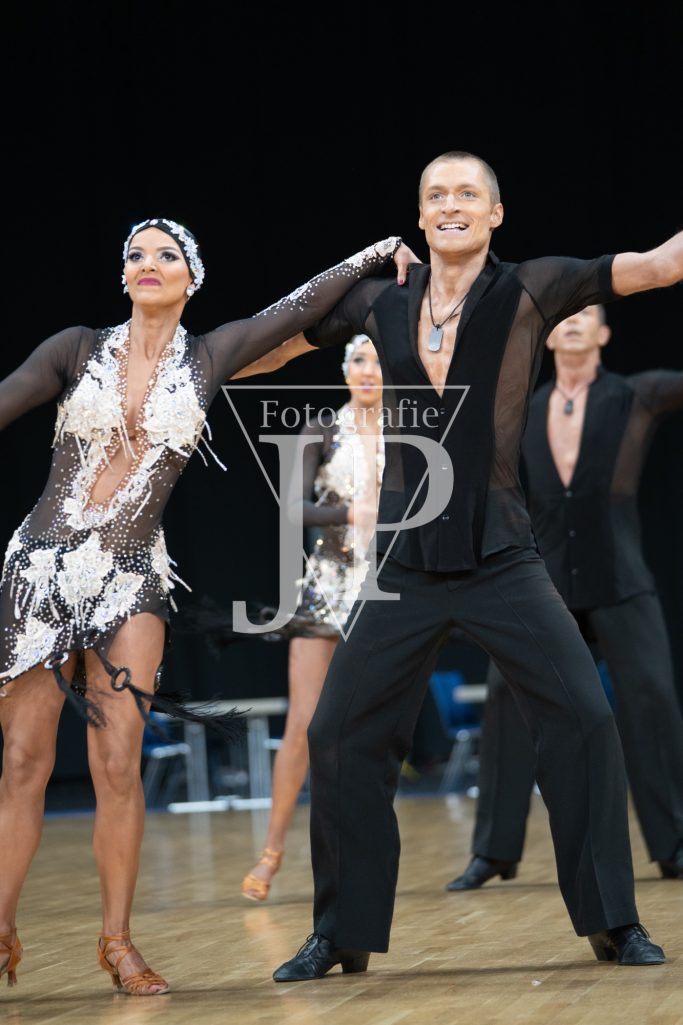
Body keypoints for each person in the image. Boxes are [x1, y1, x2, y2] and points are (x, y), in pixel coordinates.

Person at [260, 151, 682, 981]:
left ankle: (612, 920)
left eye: (466, 193)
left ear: (494, 213)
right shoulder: (380, 301)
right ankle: (341, 932)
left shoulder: (532, 286)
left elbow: (661, 264)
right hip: (406, 561)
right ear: (419, 217)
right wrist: (190, 368)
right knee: (337, 732)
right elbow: (269, 347)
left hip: (500, 553)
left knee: (584, 718)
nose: (449, 204)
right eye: (435, 194)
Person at [0, 220, 415, 994]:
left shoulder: (209, 356)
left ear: (190, 277)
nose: (147, 263)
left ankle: (118, 941)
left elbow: (297, 309)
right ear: (122, 274)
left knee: (117, 761)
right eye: (135, 254)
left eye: (166, 255)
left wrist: (375, 252)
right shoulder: (76, 348)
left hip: (133, 574)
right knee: (25, 760)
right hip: (41, 568)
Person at [447, 305, 683, 892]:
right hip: (545, 581)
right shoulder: (524, 405)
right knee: (506, 699)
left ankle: (674, 843)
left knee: (652, 700)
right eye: (566, 314)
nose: (574, 320)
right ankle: (493, 851)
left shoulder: (635, 395)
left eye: (587, 313)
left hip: (619, 577)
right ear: (549, 337)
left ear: (604, 333)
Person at [238, 335, 385, 901]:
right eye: (358, 360)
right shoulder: (321, 429)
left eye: (378, 361)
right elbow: (293, 507)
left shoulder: (407, 432)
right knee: (304, 722)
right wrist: (351, 511)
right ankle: (271, 850)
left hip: (387, 590)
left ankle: (362, 852)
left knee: (372, 725)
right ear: (345, 370)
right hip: (326, 588)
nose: (367, 371)